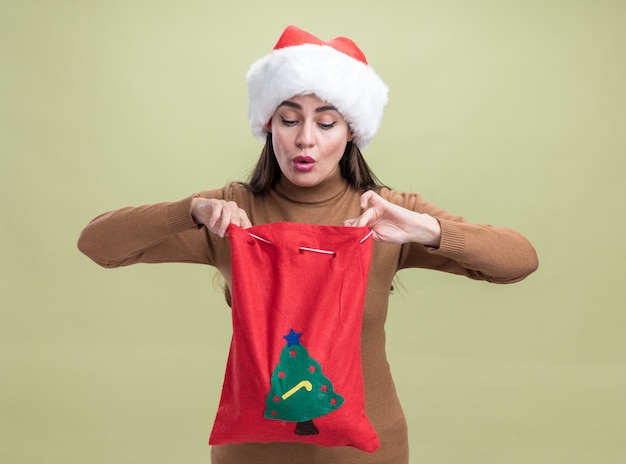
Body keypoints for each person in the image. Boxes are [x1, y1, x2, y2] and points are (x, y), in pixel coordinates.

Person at [77, 25, 538, 464]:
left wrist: (427, 231)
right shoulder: (229, 213)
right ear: (268, 125)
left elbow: (518, 261)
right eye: (290, 119)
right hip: (251, 455)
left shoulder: (389, 215)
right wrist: (189, 210)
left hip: (369, 453)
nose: (305, 140)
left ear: (351, 131)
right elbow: (98, 244)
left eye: (326, 123)